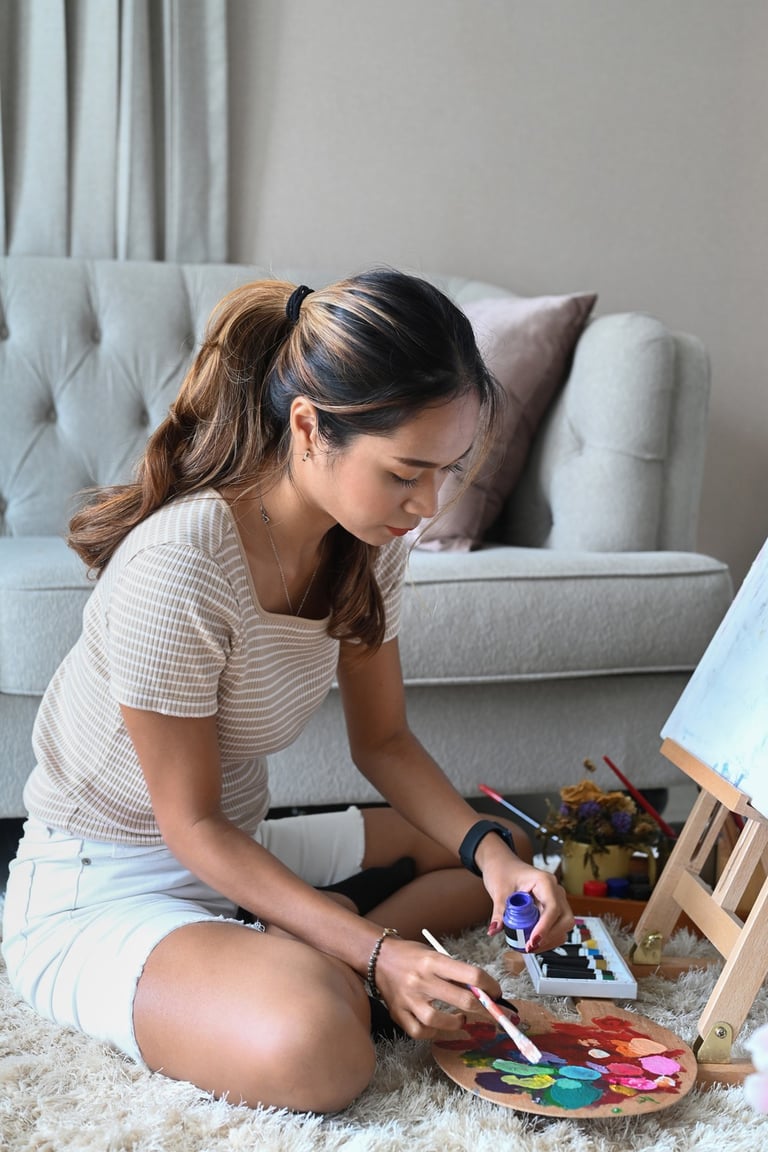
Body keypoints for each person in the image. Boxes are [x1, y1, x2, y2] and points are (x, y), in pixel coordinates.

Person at [1, 269, 573, 1114]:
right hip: (107, 884)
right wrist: (379, 953)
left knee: (508, 854)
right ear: (308, 427)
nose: (427, 504)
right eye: (406, 470)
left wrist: (494, 856)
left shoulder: (367, 537)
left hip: (242, 854)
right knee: (320, 1046)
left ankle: (300, 939)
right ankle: (320, 957)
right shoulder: (181, 565)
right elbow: (188, 827)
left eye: (448, 470)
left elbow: (383, 743)